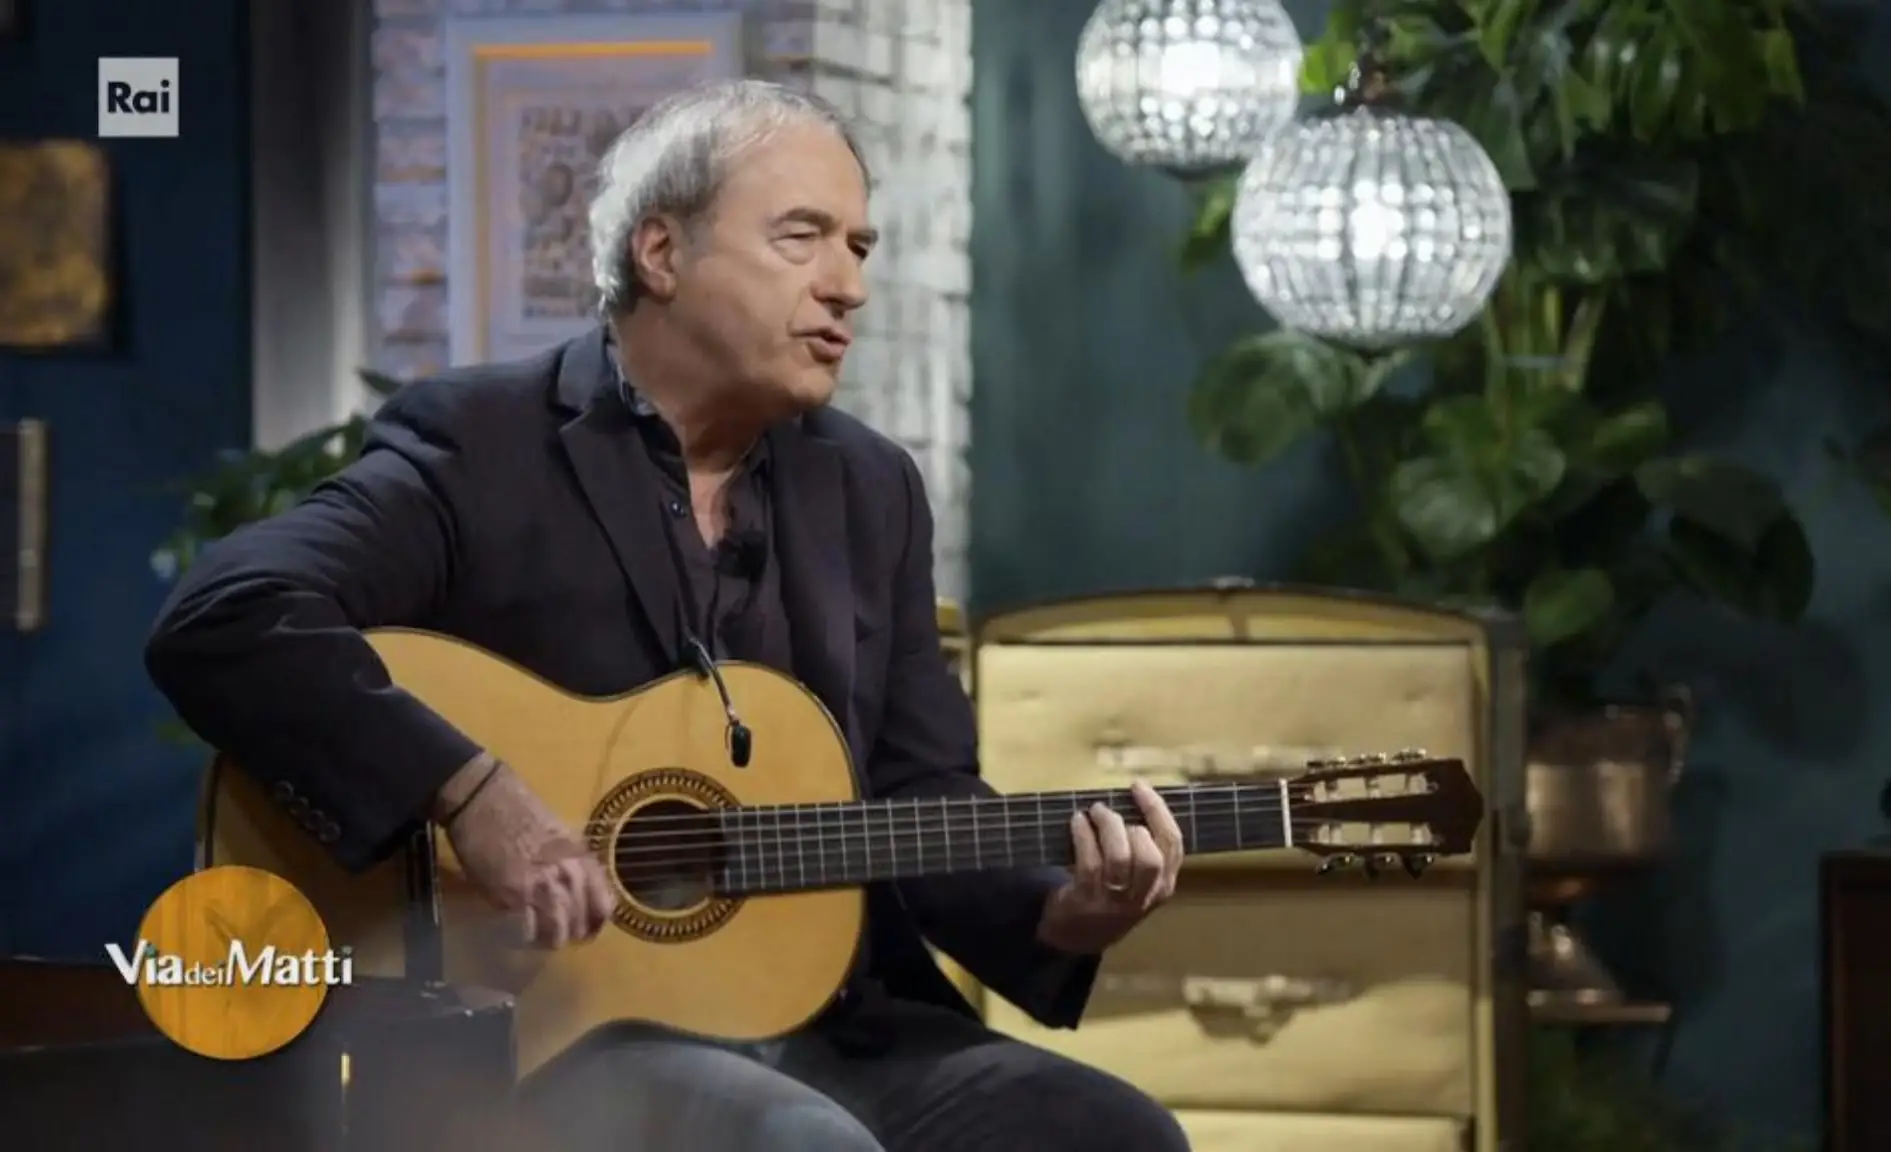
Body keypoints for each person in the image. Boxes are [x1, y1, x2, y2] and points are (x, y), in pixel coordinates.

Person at [143, 80, 1191, 1151]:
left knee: (1115, 1134)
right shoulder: (482, 444)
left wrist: (1059, 913)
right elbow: (229, 615)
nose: (848, 285)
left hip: (834, 1019)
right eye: (801, 238)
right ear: (660, 253)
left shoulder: (870, 486)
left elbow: (919, 791)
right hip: (561, 1031)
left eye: (859, 247)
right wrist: (470, 791)